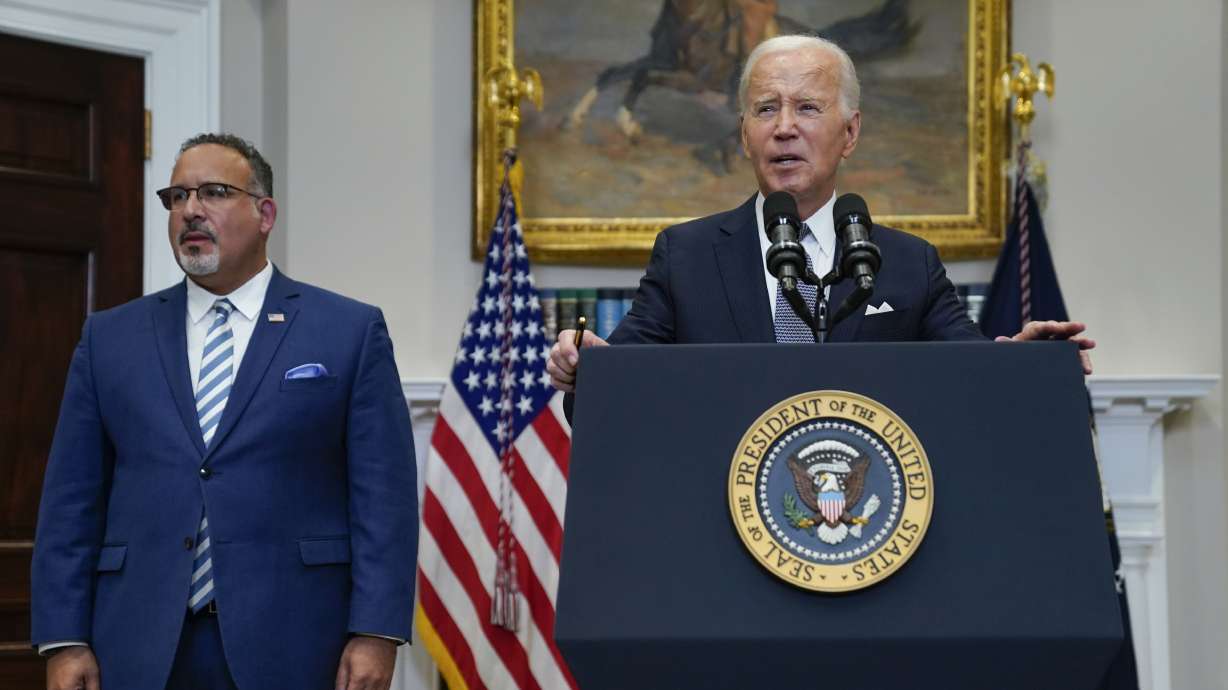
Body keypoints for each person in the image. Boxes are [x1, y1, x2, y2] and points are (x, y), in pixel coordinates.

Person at [31, 134, 418, 690]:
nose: (190, 209)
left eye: (213, 192)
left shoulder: (348, 332)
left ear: (265, 214)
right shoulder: (110, 338)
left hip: (298, 639)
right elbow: (71, 498)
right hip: (138, 642)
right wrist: (65, 639)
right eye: (177, 196)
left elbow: (384, 499)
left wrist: (377, 631)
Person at [548, 35, 1093, 393]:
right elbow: (616, 383)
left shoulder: (907, 263)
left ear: (850, 132)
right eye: (766, 109)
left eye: (808, 107)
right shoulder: (685, 255)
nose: (785, 127)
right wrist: (586, 368)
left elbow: (969, 373)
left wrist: (1019, 366)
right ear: (744, 134)